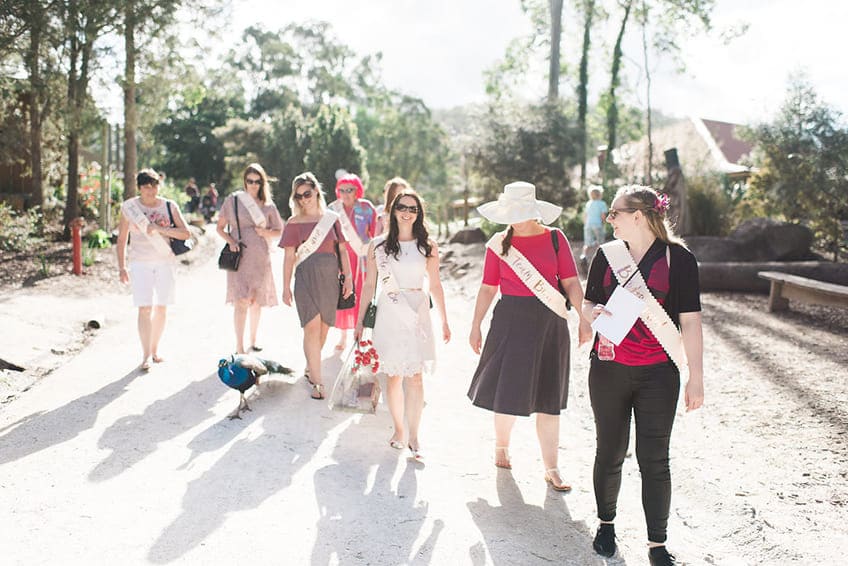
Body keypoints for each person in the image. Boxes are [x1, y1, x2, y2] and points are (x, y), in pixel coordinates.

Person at [582, 184, 704, 566]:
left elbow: (691, 322)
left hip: (658, 375)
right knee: (610, 451)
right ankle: (606, 525)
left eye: (614, 213)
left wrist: (695, 376)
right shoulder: (607, 256)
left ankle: (657, 544)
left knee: (655, 460)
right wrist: (591, 315)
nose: (609, 219)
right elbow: (588, 302)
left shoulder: (679, 260)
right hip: (608, 369)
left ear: (638, 215)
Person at [467, 181, 592, 490]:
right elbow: (487, 287)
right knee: (508, 390)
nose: (515, 218)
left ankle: (551, 468)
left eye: (521, 212)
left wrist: (583, 317)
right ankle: (501, 446)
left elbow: (571, 283)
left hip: (551, 321)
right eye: (511, 212)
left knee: (550, 396)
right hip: (511, 319)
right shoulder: (499, 243)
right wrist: (475, 324)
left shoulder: (555, 239)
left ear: (534, 211)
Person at [355, 188, 450, 460]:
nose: (407, 213)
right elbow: (369, 285)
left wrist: (443, 319)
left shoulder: (428, 246)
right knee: (394, 377)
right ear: (393, 211)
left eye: (413, 209)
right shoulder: (378, 246)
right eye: (402, 207)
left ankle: (415, 434)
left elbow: (435, 285)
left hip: (417, 311)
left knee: (416, 378)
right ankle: (399, 429)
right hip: (389, 313)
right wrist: (360, 321)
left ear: (419, 214)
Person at [280, 172, 353, 400]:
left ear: (316, 192)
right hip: (305, 278)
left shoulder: (331, 218)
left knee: (323, 330)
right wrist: (285, 286)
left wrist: (348, 277)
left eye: (307, 194)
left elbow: (342, 249)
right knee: (310, 328)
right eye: (298, 196)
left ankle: (311, 367)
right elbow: (289, 257)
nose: (303, 199)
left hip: (330, 277)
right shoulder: (293, 223)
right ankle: (318, 383)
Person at [116, 168, 191, 371]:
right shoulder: (130, 208)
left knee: (161, 307)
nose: (151, 190)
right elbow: (122, 239)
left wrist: (160, 229)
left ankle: (155, 349)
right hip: (139, 262)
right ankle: (146, 355)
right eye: (146, 186)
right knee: (144, 307)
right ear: (140, 188)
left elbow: (186, 233)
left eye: (154, 185)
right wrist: (122, 267)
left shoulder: (169, 206)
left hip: (165, 261)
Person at [216, 163, 284, 355]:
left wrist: (265, 232)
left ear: (262, 183)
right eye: (250, 181)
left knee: (255, 301)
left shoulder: (269, 206)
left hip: (261, 258)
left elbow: (280, 231)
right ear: (244, 182)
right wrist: (230, 241)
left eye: (257, 181)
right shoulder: (234, 201)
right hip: (240, 257)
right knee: (241, 300)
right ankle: (239, 346)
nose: (253, 185)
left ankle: (253, 340)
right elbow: (219, 228)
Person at [328, 173, 378, 351]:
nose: (346, 193)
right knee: (343, 295)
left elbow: (375, 236)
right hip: (341, 260)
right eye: (342, 190)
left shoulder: (367, 208)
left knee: (361, 296)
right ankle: (342, 336)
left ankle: (360, 334)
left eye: (350, 189)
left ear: (357, 190)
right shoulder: (333, 210)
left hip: (362, 261)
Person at [581, 185, 609, 270]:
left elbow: (585, 215)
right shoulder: (602, 203)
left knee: (588, 243)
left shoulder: (588, 203)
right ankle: (600, 260)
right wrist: (604, 224)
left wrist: (586, 224)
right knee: (601, 243)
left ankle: (583, 256)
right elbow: (603, 216)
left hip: (588, 225)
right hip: (597, 225)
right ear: (600, 194)